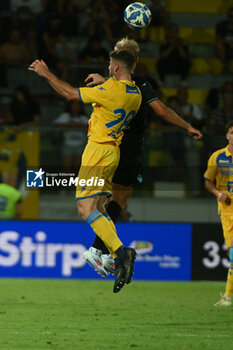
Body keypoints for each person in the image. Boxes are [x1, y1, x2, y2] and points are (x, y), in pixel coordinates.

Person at [82, 37, 203, 278]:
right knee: (109, 201)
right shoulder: (131, 85)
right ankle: (104, 251)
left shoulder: (136, 85)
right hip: (121, 146)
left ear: (130, 60)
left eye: (122, 53)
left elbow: (161, 110)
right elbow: (155, 107)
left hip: (117, 146)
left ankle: (104, 251)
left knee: (111, 201)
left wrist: (185, 125)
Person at [29, 49, 142, 293]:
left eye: (110, 64)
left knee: (85, 208)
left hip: (97, 152)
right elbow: (116, 89)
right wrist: (106, 81)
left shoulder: (110, 91)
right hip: (113, 152)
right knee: (100, 208)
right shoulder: (135, 92)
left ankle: (121, 253)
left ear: (116, 68)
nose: (108, 68)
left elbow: (70, 94)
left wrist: (47, 74)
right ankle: (111, 253)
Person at [204, 120, 233, 306]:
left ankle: (228, 297)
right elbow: (207, 181)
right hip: (227, 211)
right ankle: (228, 296)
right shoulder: (217, 157)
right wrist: (217, 193)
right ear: (227, 135)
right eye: (232, 132)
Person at [53, 100, 89, 172]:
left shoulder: (83, 117)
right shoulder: (65, 116)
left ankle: (76, 183)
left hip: (80, 145)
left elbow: (90, 125)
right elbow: (56, 124)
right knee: (66, 169)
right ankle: (66, 182)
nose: (76, 107)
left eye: (78, 105)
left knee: (77, 169)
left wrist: (78, 125)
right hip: (67, 144)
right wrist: (69, 124)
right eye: (74, 105)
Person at [216, 7, 233, 73]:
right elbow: (217, 38)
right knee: (219, 44)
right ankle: (225, 67)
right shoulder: (221, 25)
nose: (232, 18)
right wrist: (229, 42)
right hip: (225, 48)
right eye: (230, 16)